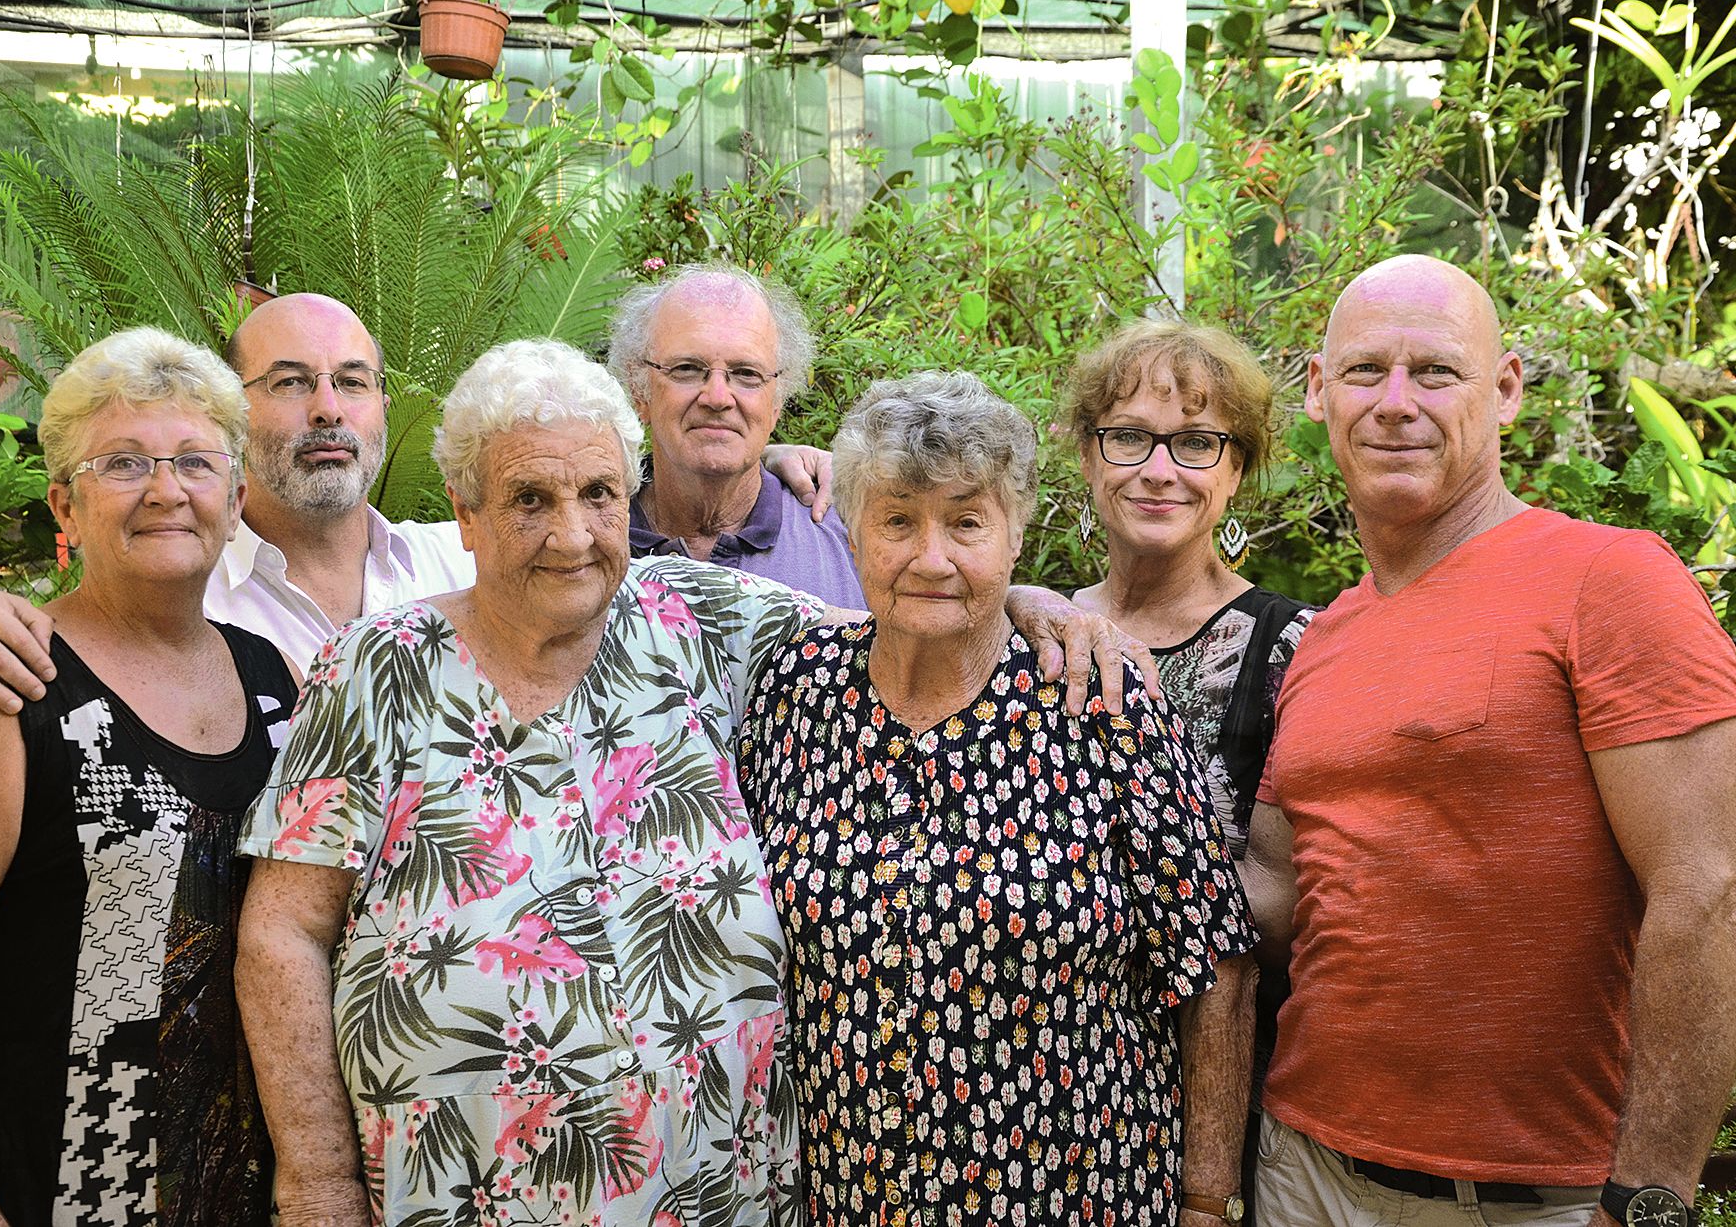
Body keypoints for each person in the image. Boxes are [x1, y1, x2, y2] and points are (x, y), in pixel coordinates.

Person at [230, 341, 1150, 1227]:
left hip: (717, 1190)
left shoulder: (695, 618)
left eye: (598, 493)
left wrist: (1038, 605)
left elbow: (911, 607)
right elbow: (283, 933)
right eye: (528, 499)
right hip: (462, 1188)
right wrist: (315, 1185)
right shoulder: (375, 673)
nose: (572, 533)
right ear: (464, 514)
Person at [1243, 255, 1736, 1227]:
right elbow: (1272, 891)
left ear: (1507, 389)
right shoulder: (1325, 640)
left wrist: (1648, 1199)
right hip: (1302, 1173)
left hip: (1535, 1202)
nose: (1395, 404)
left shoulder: (1608, 581)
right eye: (1364, 372)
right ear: (1317, 390)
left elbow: (1710, 893)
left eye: (1434, 372)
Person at [738, 371, 1257, 1227]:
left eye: (966, 522)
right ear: (854, 534)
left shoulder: (1101, 698)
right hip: (851, 1195)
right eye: (899, 519)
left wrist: (1207, 1201)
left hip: (1077, 1193)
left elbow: (1216, 968)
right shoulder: (798, 687)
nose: (931, 557)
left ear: (1015, 535)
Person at [0, 291, 838, 710]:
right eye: (288, 382)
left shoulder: (471, 556)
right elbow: (76, 642)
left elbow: (611, 558)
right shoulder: (183, 587)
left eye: (352, 380)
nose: (326, 406)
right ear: (235, 422)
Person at [0, 328, 298, 1227]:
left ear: (237, 500)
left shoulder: (271, 675)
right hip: (58, 1186)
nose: (166, 490)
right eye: (122, 464)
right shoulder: (10, 682)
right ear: (64, 507)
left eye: (195, 462)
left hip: (243, 1185)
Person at [1060, 318, 1313, 1226]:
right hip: (1056, 1094)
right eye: (1128, 436)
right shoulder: (1034, 633)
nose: (1159, 469)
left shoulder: (1294, 648)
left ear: (1235, 469)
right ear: (1087, 456)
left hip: (1228, 1085)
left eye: (1197, 442)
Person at [607, 264, 867, 608]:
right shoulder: (586, 541)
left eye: (746, 373)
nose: (717, 398)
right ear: (640, 391)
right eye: (687, 369)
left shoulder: (851, 538)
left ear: (776, 402)